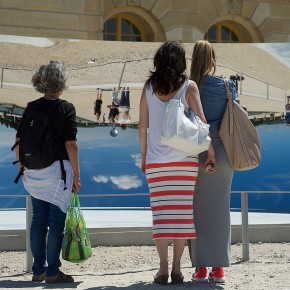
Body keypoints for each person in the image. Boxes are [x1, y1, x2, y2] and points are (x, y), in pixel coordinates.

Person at [139, 41, 211, 285]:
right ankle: (177, 270)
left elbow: (142, 125)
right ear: (181, 61)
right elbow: (202, 122)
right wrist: (210, 151)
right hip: (184, 162)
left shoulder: (149, 87)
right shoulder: (188, 86)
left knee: (160, 216)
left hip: (157, 162)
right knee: (181, 216)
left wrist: (145, 156)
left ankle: (162, 270)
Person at [14, 61, 81, 283]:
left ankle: (38, 270)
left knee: (38, 221)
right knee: (56, 223)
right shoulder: (66, 108)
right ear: (61, 82)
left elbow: (19, 141)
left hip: (33, 173)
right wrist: (77, 176)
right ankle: (53, 272)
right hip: (57, 174)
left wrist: (22, 167)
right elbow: (71, 144)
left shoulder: (32, 107)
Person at [188, 40, 239, 283]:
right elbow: (237, 113)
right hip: (224, 150)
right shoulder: (227, 85)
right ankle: (218, 268)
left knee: (195, 210)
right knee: (221, 209)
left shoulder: (187, 86)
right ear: (212, 60)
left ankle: (199, 268)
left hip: (195, 150)